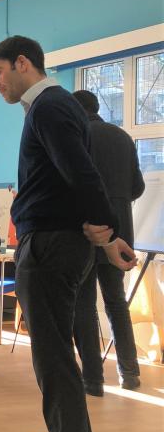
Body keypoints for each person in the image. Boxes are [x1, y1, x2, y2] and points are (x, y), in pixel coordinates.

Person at [0, 35, 137, 432]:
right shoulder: (56, 106)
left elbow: (82, 173)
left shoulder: (49, 106)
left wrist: (105, 228)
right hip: (58, 242)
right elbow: (74, 176)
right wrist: (105, 235)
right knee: (58, 355)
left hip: (50, 246)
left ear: (23, 63)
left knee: (52, 357)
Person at [71, 89, 146, 395]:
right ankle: (129, 373)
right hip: (120, 231)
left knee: (85, 305)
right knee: (117, 303)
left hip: (86, 231)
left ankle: (93, 379)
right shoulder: (123, 137)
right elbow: (137, 187)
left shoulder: (76, 136)